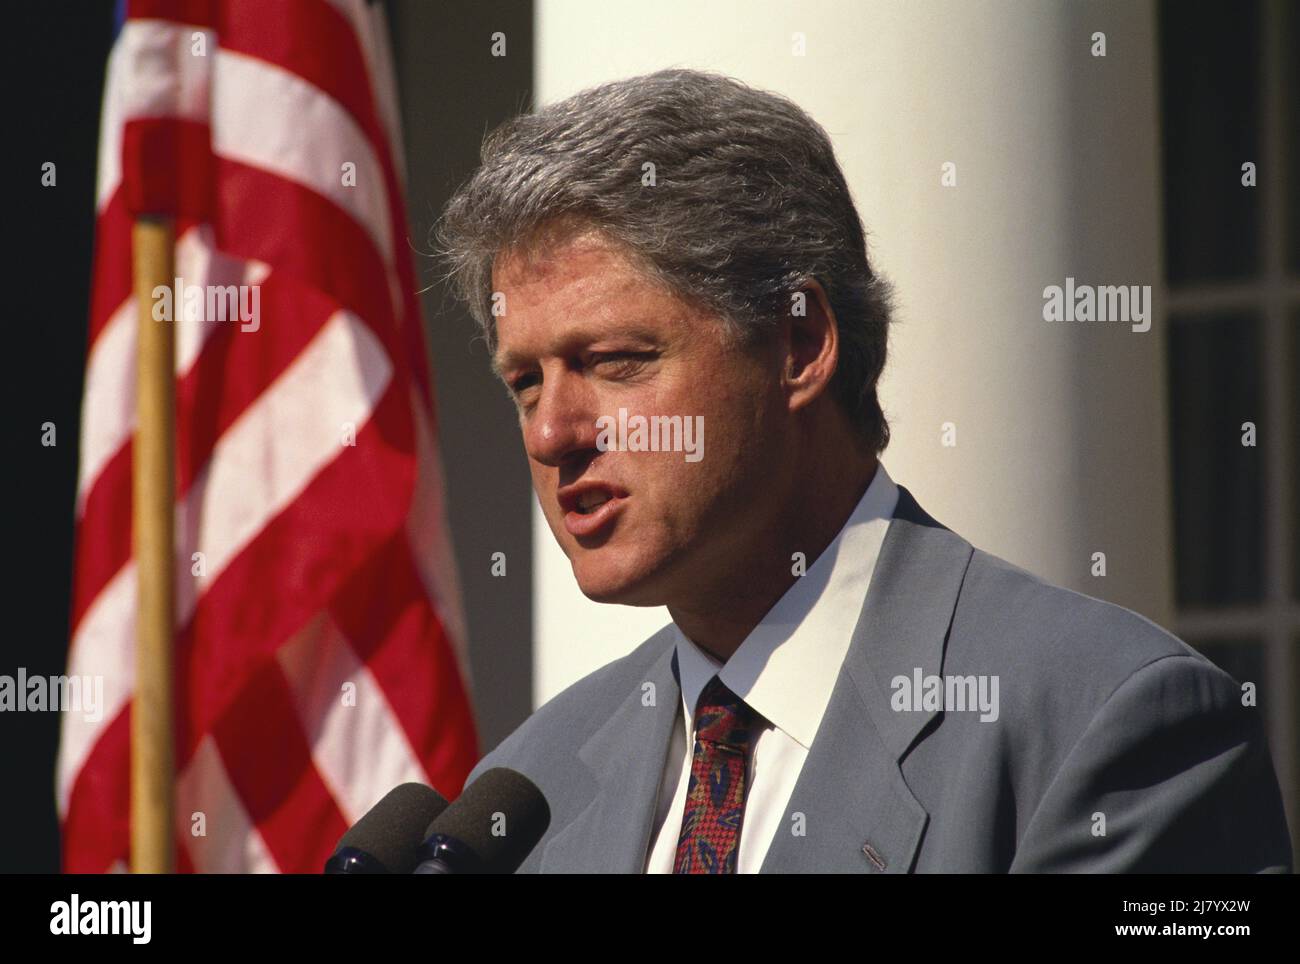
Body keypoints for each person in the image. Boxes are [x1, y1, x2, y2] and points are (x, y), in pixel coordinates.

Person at [436, 69, 1292, 872]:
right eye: (523, 383)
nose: (552, 431)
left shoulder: (1110, 722)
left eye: (617, 361)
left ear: (801, 346)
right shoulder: (530, 788)